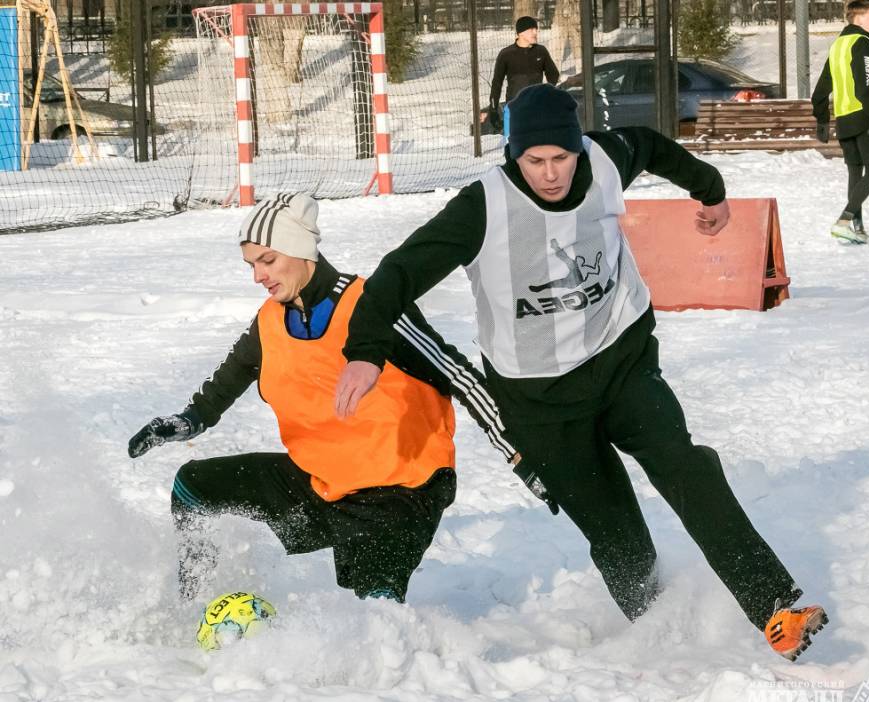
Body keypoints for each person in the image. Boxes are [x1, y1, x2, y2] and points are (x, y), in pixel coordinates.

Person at [335, 84, 828, 661]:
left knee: (684, 465)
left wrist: (710, 189)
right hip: (539, 401)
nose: (550, 173)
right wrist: (365, 349)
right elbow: (398, 272)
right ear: (513, 156)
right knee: (617, 535)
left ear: (577, 148)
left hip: (621, 359)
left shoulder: (602, 160)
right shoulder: (482, 206)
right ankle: (657, 623)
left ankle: (776, 606)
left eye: (561, 158)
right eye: (534, 161)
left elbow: (649, 145)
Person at [127, 192, 552, 604]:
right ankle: (194, 601)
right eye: (252, 264)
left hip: (402, 491)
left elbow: (459, 376)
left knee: (375, 619)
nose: (258, 275)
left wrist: (521, 454)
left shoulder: (373, 303)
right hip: (322, 483)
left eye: (268, 260)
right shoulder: (269, 322)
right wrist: (184, 422)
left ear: (300, 251)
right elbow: (221, 387)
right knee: (192, 486)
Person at [811, 0, 869, 245]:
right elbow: (865, 81)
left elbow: (821, 89)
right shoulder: (861, 42)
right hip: (863, 117)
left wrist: (822, 120)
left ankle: (856, 229)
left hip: (844, 120)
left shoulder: (837, 46)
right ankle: (844, 222)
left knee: (856, 172)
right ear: (859, 18)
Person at [489, 16, 559, 138]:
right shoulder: (506, 54)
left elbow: (553, 76)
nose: (535, 32)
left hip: (537, 109)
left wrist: (547, 95)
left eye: (536, 29)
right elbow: (496, 84)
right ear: (520, 33)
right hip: (513, 109)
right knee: (512, 149)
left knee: (537, 147)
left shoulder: (541, 51)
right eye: (531, 29)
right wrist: (493, 110)